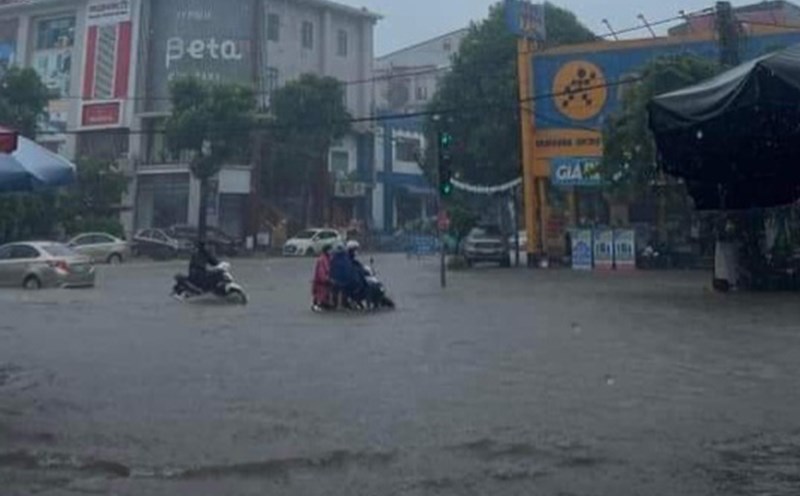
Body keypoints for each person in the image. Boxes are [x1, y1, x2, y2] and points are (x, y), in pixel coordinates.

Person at [312, 244, 333, 312]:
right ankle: (318, 304)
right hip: (321, 282)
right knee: (320, 294)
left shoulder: (329, 258)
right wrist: (326, 279)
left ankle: (325, 303)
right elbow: (321, 272)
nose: (331, 251)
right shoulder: (322, 260)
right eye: (330, 250)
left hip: (326, 280)